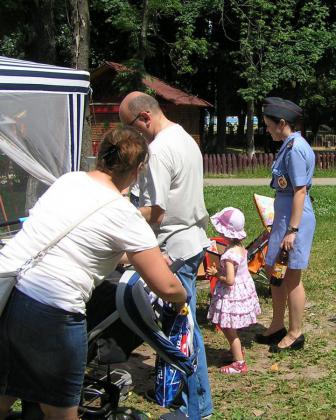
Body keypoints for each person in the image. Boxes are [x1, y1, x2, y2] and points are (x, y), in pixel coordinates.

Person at [0, 127, 186, 420]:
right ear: (138, 169)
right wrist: (182, 295)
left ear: (100, 155)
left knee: (5, 391)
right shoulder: (125, 214)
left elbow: (88, 244)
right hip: (54, 312)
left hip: (11, 295)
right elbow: (165, 285)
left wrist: (135, 259)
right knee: (60, 411)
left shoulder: (68, 181)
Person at [119, 92, 213, 419]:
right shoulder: (184, 137)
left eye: (131, 127)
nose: (134, 135)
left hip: (176, 245)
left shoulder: (158, 150)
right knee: (180, 327)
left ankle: (195, 409)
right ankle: (177, 395)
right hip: (191, 240)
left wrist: (116, 210)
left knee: (183, 333)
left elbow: (156, 211)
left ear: (144, 116)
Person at [255, 97, 316, 352]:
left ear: (281, 123)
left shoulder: (295, 149)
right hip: (283, 217)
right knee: (274, 272)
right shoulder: (287, 145)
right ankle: (277, 324)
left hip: (295, 220)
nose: (266, 129)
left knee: (291, 277)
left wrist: (292, 230)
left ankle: (295, 332)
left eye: (268, 125)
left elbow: (300, 191)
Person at [205, 207, 261, 374]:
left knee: (228, 328)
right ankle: (235, 352)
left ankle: (239, 363)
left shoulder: (229, 255)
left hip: (231, 296)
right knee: (230, 328)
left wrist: (216, 273)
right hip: (241, 293)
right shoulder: (241, 249)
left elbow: (230, 280)